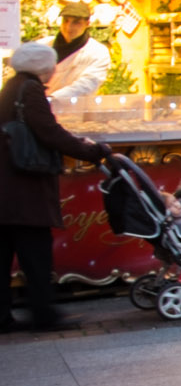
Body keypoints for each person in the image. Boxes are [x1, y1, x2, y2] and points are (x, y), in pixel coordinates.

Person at [0, 43, 108, 333]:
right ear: (43, 68)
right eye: (51, 66)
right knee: (35, 252)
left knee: (7, 248)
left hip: (8, 188)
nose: (54, 71)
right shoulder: (31, 90)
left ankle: (4, 316)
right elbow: (48, 131)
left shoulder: (12, 87)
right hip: (24, 187)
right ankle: (44, 314)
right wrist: (91, 151)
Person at [36, 1, 110, 100]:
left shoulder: (98, 52)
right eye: (65, 21)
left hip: (74, 111)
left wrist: (51, 99)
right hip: (38, 109)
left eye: (76, 22)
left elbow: (87, 85)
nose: (68, 27)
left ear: (87, 24)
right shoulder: (42, 46)